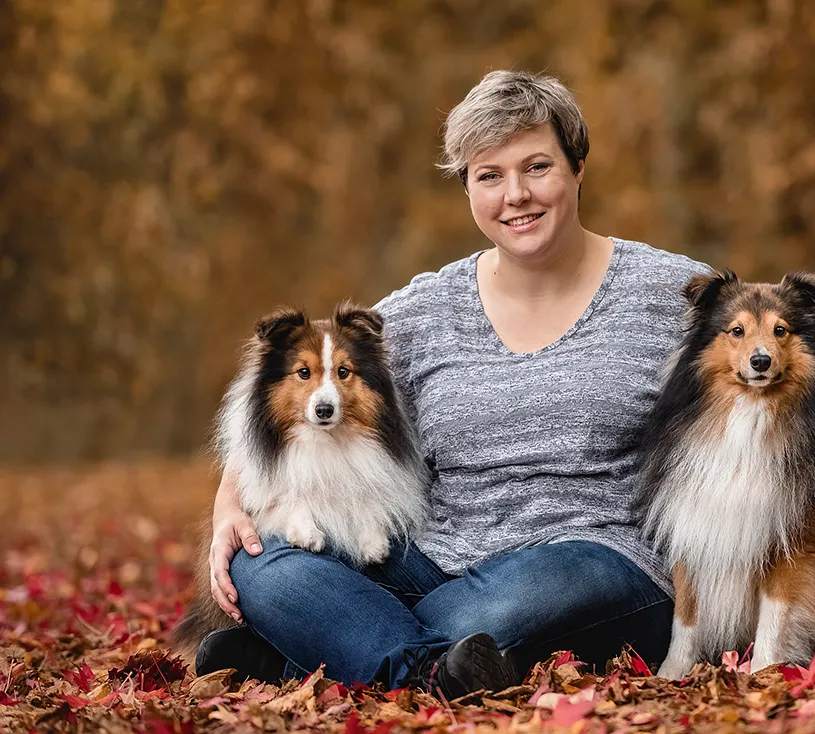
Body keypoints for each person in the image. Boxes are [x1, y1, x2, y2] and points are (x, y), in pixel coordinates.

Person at [195, 70, 711, 697]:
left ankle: (314, 651)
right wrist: (230, 504)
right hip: (430, 557)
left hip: (598, 558)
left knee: (493, 612)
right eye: (488, 175)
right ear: (467, 188)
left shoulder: (672, 294)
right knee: (266, 566)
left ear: (578, 166)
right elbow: (300, 387)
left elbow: (772, 389)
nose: (515, 194)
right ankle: (431, 667)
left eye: (537, 167)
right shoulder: (420, 311)